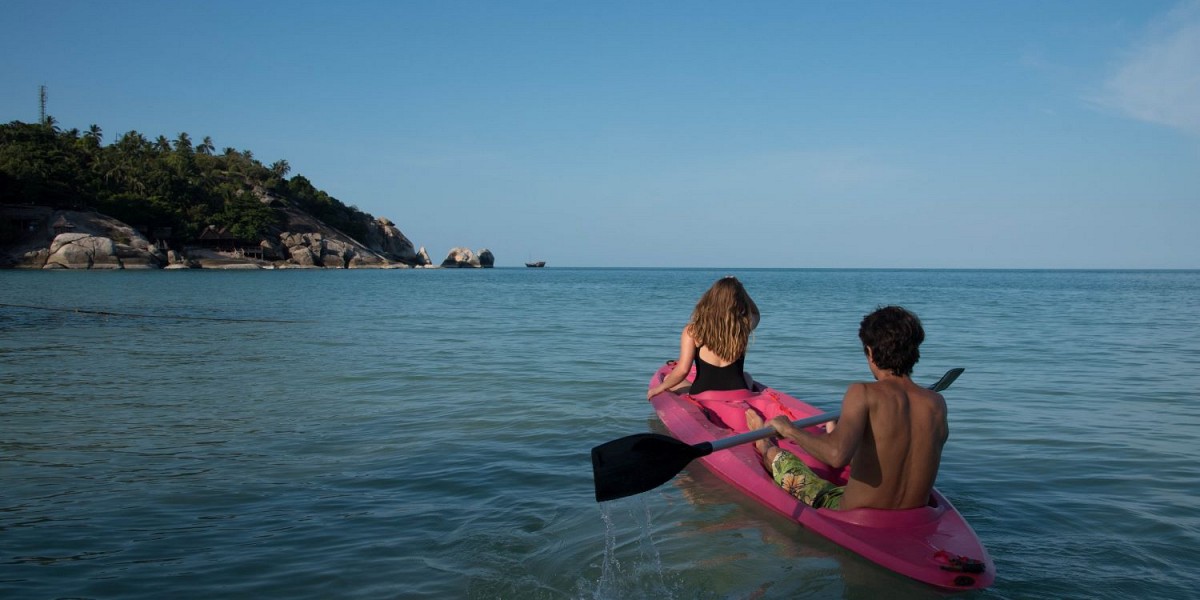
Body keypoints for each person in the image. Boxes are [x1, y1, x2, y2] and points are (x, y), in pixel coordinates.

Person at [746, 305, 948, 511]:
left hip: (856, 515)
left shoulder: (863, 392)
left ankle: (762, 443)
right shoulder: (936, 403)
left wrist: (789, 430)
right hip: (915, 517)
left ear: (870, 352)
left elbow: (836, 456)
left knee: (779, 458)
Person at [647, 276, 760, 400]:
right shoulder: (741, 327)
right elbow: (755, 313)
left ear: (710, 299)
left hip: (704, 395)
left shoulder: (693, 331)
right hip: (739, 392)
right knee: (747, 376)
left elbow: (683, 370)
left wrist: (659, 388)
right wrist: (738, 288)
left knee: (669, 379)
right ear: (739, 301)